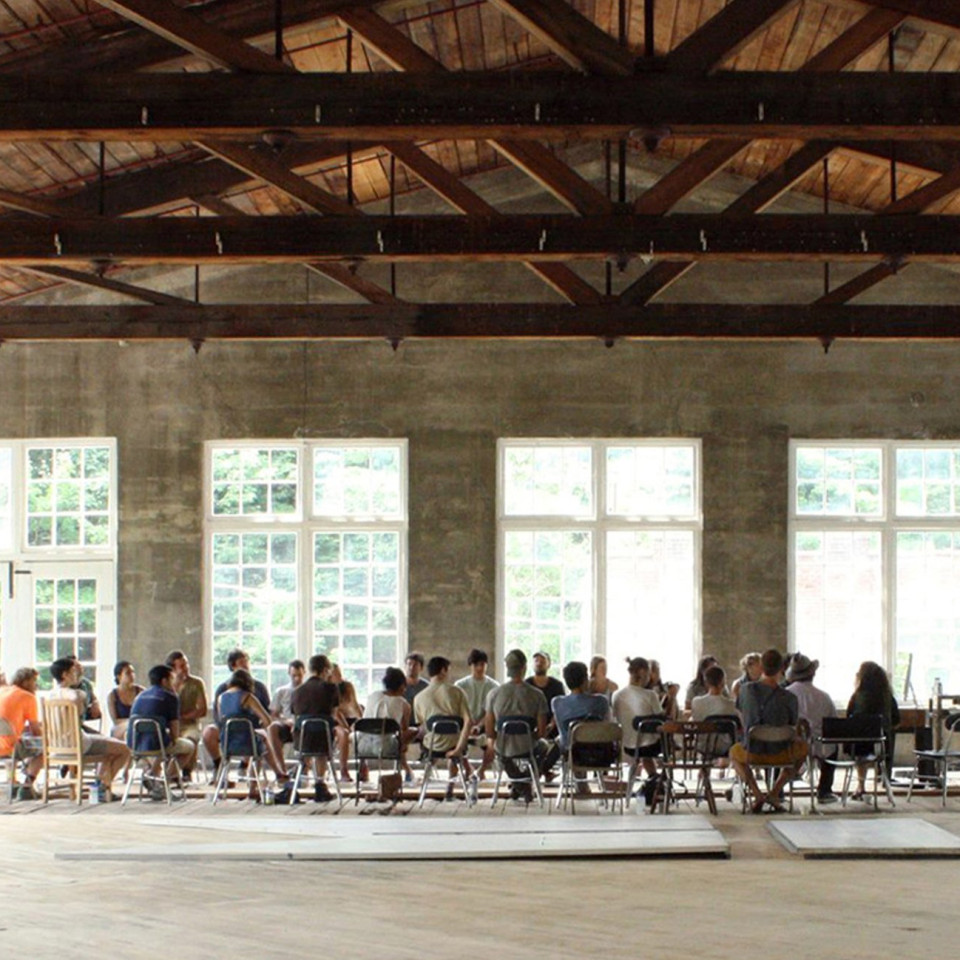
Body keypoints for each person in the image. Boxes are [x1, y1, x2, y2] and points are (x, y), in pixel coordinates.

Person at [729, 648, 807, 813]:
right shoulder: (790, 698)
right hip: (782, 752)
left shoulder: (745, 690)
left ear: (761, 668)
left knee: (734, 754)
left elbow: (743, 716)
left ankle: (757, 794)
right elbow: (792, 725)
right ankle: (774, 792)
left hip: (753, 752)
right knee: (803, 749)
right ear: (782, 669)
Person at [49, 657, 130, 801]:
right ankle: (102, 786)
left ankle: (101, 783)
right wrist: (81, 696)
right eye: (73, 671)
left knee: (107, 742)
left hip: (57, 745)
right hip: (79, 743)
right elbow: (75, 698)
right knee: (125, 748)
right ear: (64, 675)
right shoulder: (71, 693)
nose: (77, 675)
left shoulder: (50, 696)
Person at [483, 649, 548, 802]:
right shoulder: (537, 695)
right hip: (528, 746)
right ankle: (525, 784)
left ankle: (518, 784)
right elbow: (542, 732)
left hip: (503, 746)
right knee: (544, 746)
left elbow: (489, 732)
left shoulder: (493, 694)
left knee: (501, 752)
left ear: (507, 669)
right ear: (525, 668)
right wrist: (529, 736)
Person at [215, 667, 288, 796]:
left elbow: (223, 720)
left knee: (260, 738)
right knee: (261, 742)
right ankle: (255, 787)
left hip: (227, 742)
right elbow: (267, 720)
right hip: (247, 741)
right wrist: (257, 724)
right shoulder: (247, 697)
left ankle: (278, 773)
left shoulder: (221, 698)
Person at [128, 663, 197, 798]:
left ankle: (152, 775)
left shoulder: (140, 696)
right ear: (164, 681)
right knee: (188, 747)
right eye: (172, 679)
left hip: (134, 743)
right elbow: (175, 734)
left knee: (160, 741)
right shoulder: (170, 697)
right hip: (157, 744)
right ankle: (164, 781)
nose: (174, 682)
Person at [201, 648, 270, 774]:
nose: (246, 665)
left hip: (254, 726)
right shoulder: (223, 689)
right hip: (229, 728)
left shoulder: (259, 687)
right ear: (233, 666)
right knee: (209, 732)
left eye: (247, 662)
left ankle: (246, 764)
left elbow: (266, 711)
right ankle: (219, 764)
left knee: (261, 733)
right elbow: (219, 716)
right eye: (241, 662)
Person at [413, 656, 472, 795]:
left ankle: (427, 772)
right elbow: (468, 721)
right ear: (443, 670)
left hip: (432, 746)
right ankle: (450, 787)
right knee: (452, 744)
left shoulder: (419, 697)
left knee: (426, 736)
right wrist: (459, 748)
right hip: (454, 744)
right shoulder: (457, 692)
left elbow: (421, 728)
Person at [784, 653, 838, 803]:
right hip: (821, 745)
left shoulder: (786, 694)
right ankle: (825, 789)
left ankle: (779, 790)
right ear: (812, 674)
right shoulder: (824, 697)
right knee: (832, 750)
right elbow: (833, 722)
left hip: (793, 744)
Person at [291, 654, 342, 802]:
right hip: (324, 738)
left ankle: (298, 779)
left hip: (302, 740)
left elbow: (295, 717)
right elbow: (334, 715)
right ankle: (320, 784)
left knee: (310, 736)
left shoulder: (297, 692)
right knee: (323, 743)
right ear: (325, 670)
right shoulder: (331, 688)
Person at [847, 660, 900, 797]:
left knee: (861, 751)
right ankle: (885, 777)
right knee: (889, 734)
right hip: (882, 746)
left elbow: (849, 719)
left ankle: (860, 785)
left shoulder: (856, 697)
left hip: (859, 746)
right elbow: (896, 721)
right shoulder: (888, 697)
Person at [612, 657, 664, 781]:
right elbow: (661, 719)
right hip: (649, 745)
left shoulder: (616, 695)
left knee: (643, 747)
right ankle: (659, 780)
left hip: (627, 745)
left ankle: (653, 777)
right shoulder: (650, 695)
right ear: (644, 673)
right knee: (663, 740)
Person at [0, 667, 44, 800]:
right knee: (44, 749)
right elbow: (36, 731)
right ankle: (26, 787)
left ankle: (12, 783)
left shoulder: (2, 691)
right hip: (9, 747)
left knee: (26, 742)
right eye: (34, 681)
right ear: (25, 682)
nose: (36, 685)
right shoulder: (28, 697)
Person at [365, 666, 416, 781]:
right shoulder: (404, 704)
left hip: (364, 745)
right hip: (388, 747)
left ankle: (363, 767)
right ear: (402, 686)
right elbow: (404, 729)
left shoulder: (372, 696)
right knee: (412, 731)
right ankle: (406, 768)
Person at [551, 661, 611, 753]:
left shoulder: (557, 703)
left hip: (572, 753)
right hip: (599, 752)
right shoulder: (601, 701)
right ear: (584, 680)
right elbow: (606, 725)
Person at [165, 650, 208, 749]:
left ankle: (188, 764)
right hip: (170, 726)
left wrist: (183, 717)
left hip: (190, 725)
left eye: (186, 664)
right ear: (173, 669)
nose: (186, 668)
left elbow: (202, 710)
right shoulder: (166, 686)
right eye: (182, 666)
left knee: (190, 739)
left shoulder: (197, 683)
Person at [331, 663, 364, 781]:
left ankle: (363, 766)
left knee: (362, 733)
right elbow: (336, 713)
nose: (339, 675)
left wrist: (361, 721)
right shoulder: (327, 689)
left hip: (349, 718)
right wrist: (347, 727)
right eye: (335, 673)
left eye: (339, 672)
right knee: (344, 733)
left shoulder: (347, 686)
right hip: (336, 722)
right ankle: (343, 770)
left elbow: (355, 705)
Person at [526, 651, 565, 734]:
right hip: (530, 729)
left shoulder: (557, 685)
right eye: (536, 661)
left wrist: (552, 724)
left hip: (553, 729)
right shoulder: (526, 684)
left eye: (543, 661)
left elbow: (561, 708)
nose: (539, 664)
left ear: (549, 664)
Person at [106, 660, 143, 740]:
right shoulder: (112, 696)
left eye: (133, 672)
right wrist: (130, 722)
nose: (132, 675)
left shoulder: (141, 692)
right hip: (120, 727)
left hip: (139, 725)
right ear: (119, 676)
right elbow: (115, 720)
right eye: (128, 673)